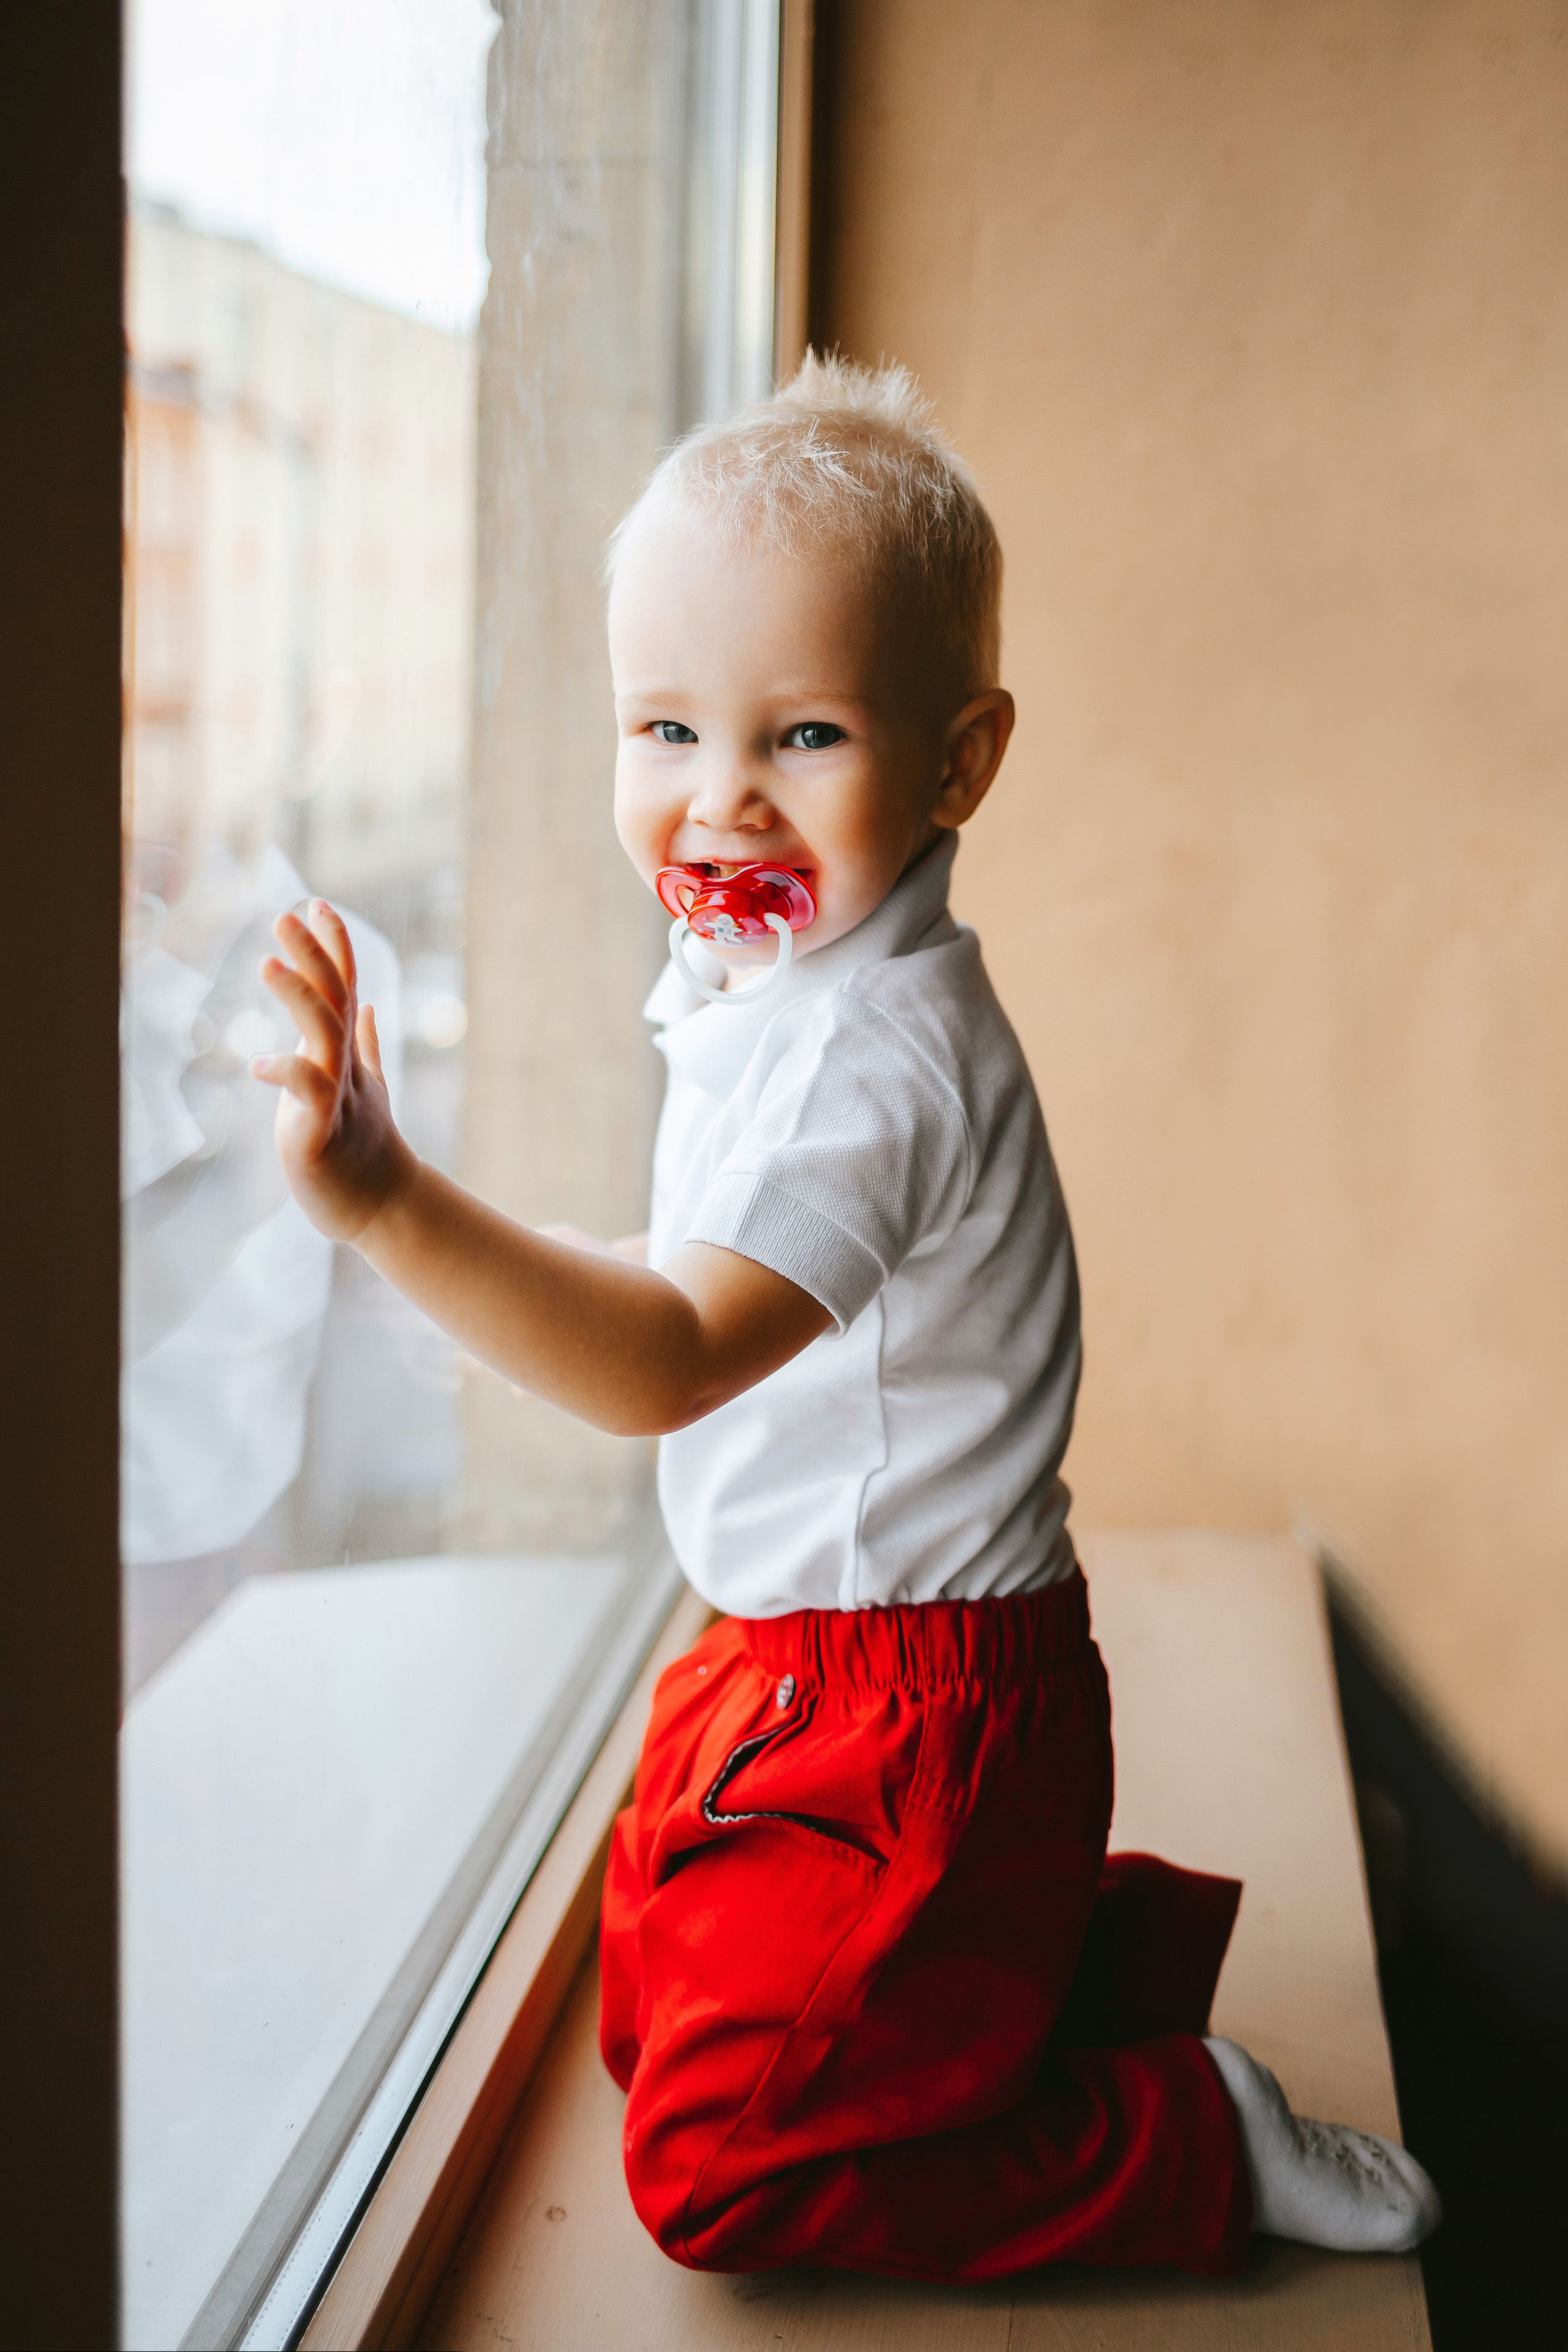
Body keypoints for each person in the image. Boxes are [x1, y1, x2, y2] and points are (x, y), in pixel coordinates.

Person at [254, 355, 1439, 2281]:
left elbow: (660, 1355)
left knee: (713, 2169)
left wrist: (394, 1203)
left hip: (911, 1716)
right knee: (655, 2011)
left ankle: (1176, 2136)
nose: (716, 800)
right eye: (663, 727)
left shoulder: (874, 1062)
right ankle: (1032, 1986)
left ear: (960, 761)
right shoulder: (781, 976)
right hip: (802, 1661)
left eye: (801, 735)